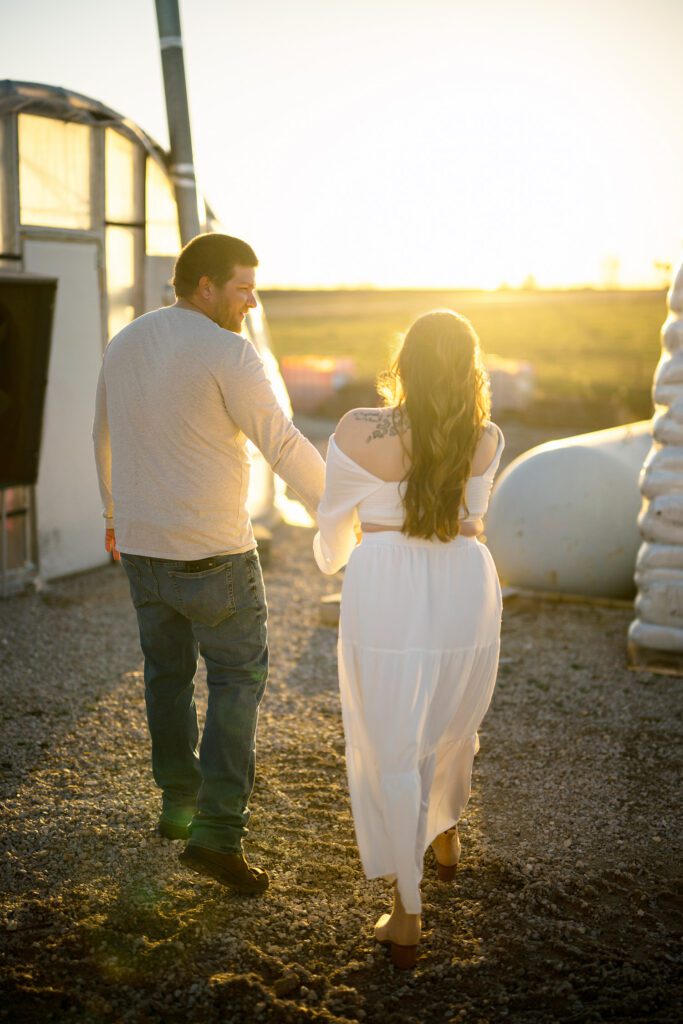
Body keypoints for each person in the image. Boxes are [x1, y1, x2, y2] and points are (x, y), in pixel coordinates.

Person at [93, 233, 325, 893]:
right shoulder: (229, 351)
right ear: (204, 286)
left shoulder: (125, 341)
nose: (251, 302)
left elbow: (100, 434)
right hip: (215, 553)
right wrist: (341, 514)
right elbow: (279, 441)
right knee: (235, 682)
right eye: (242, 289)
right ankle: (216, 837)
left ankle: (178, 807)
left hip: (141, 548)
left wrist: (114, 518)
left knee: (166, 676)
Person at [313, 310, 504, 967]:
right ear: (468, 366)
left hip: (387, 583)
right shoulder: (486, 438)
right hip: (464, 583)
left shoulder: (356, 430)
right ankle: (445, 836)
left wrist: (342, 546)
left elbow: (331, 534)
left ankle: (406, 913)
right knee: (450, 715)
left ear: (406, 360)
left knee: (394, 735)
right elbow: (473, 515)